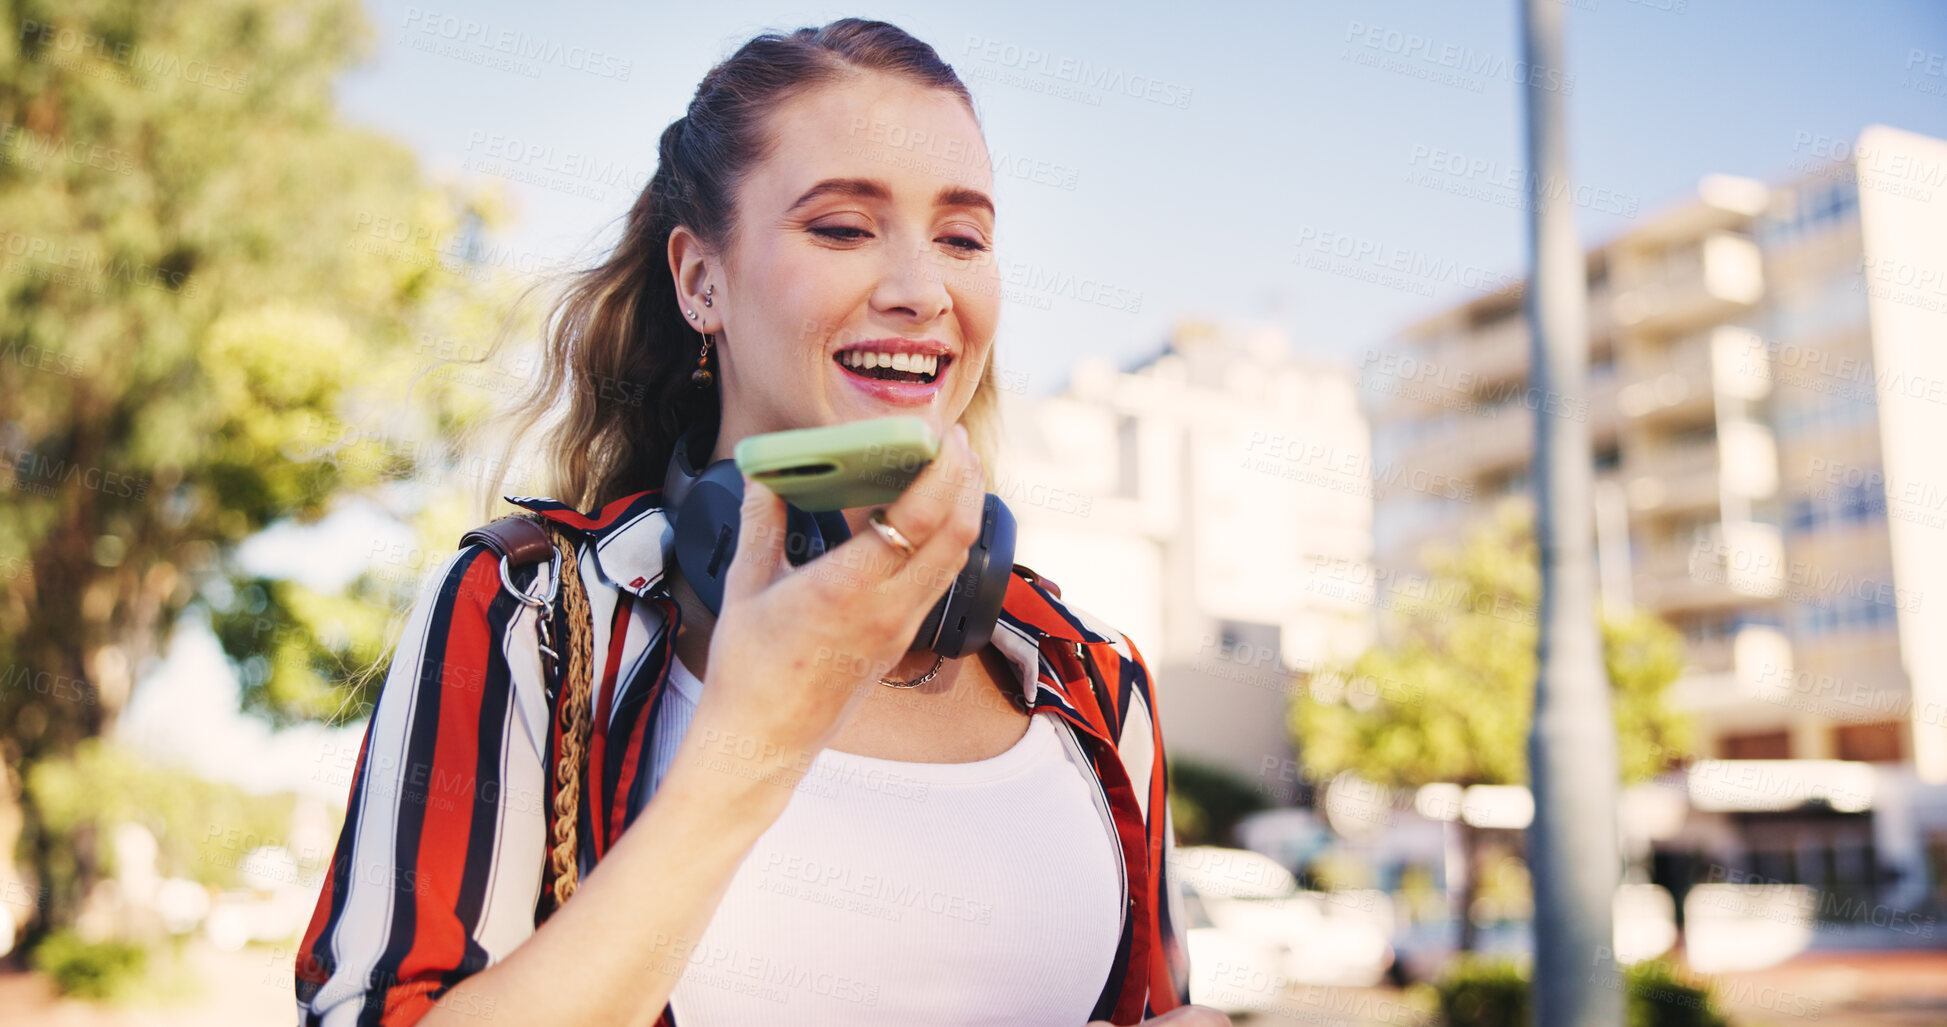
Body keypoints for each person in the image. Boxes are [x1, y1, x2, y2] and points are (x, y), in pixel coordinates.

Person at [295, 18, 1227, 1027]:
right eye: (841, 227)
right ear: (702, 279)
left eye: (962, 237)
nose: (923, 290)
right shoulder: (531, 616)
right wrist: (755, 740)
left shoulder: (1095, 677)